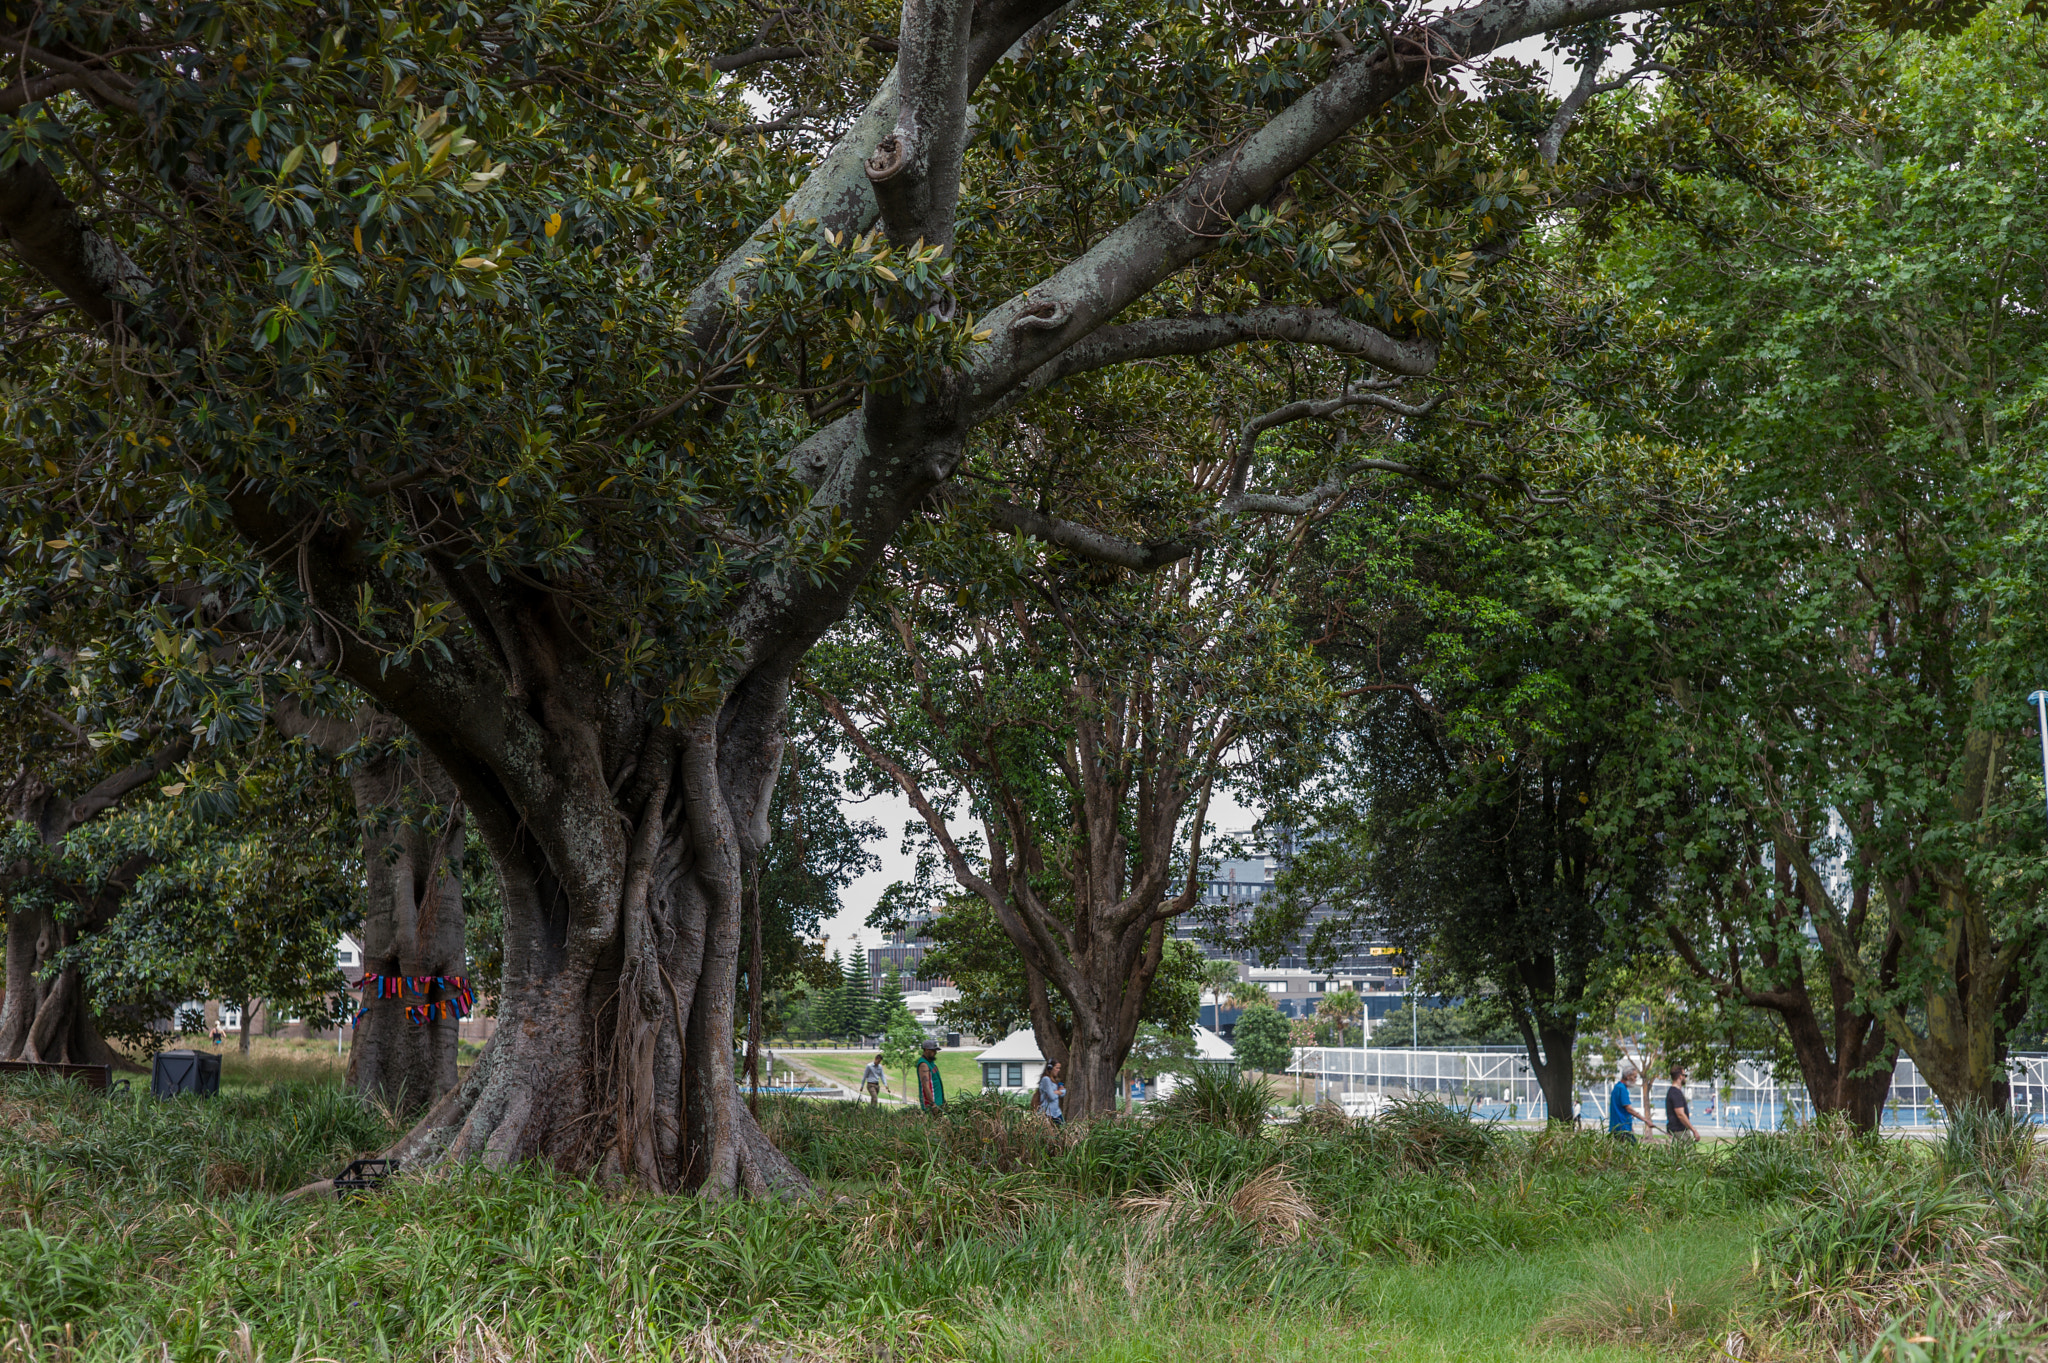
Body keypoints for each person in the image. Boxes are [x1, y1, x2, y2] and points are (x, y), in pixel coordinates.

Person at [1608, 1066, 1658, 1143]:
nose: (1635, 1080)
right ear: (1628, 1076)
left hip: (1618, 1127)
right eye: (1634, 1077)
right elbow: (1629, 1109)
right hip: (1622, 1128)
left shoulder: (1617, 1087)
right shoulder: (1622, 1089)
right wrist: (1646, 1120)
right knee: (1635, 1148)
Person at [1666, 1065, 1701, 1142]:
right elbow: (1680, 1114)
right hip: (1679, 1131)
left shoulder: (1674, 1092)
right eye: (1684, 1075)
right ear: (1680, 1076)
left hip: (1678, 1130)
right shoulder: (1675, 1093)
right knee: (1689, 1153)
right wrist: (1693, 1130)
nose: (1685, 1078)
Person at [915, 1039, 945, 1111]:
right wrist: (932, 1104)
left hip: (938, 1100)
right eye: (933, 1050)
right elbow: (925, 1085)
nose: (935, 1052)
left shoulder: (930, 1062)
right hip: (931, 1104)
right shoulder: (923, 1064)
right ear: (926, 1050)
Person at [1035, 1061, 1065, 1126]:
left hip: (1056, 1112)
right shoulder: (1046, 1079)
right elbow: (1051, 1097)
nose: (1058, 1070)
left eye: (1059, 1068)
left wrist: (1057, 1092)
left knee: (1063, 1130)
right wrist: (1058, 1092)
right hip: (1047, 1112)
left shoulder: (1054, 1080)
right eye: (1057, 1068)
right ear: (1050, 1068)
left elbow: (1063, 1092)